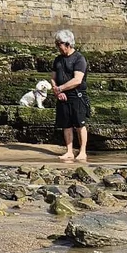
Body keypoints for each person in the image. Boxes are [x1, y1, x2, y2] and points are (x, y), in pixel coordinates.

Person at [51, 29, 90, 162]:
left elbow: (77, 80)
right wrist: (56, 91)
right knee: (66, 125)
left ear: (67, 44)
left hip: (77, 96)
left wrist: (61, 88)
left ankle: (83, 151)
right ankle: (69, 151)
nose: (58, 47)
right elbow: (53, 77)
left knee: (79, 124)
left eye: (59, 44)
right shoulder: (58, 59)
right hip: (62, 97)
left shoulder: (79, 59)